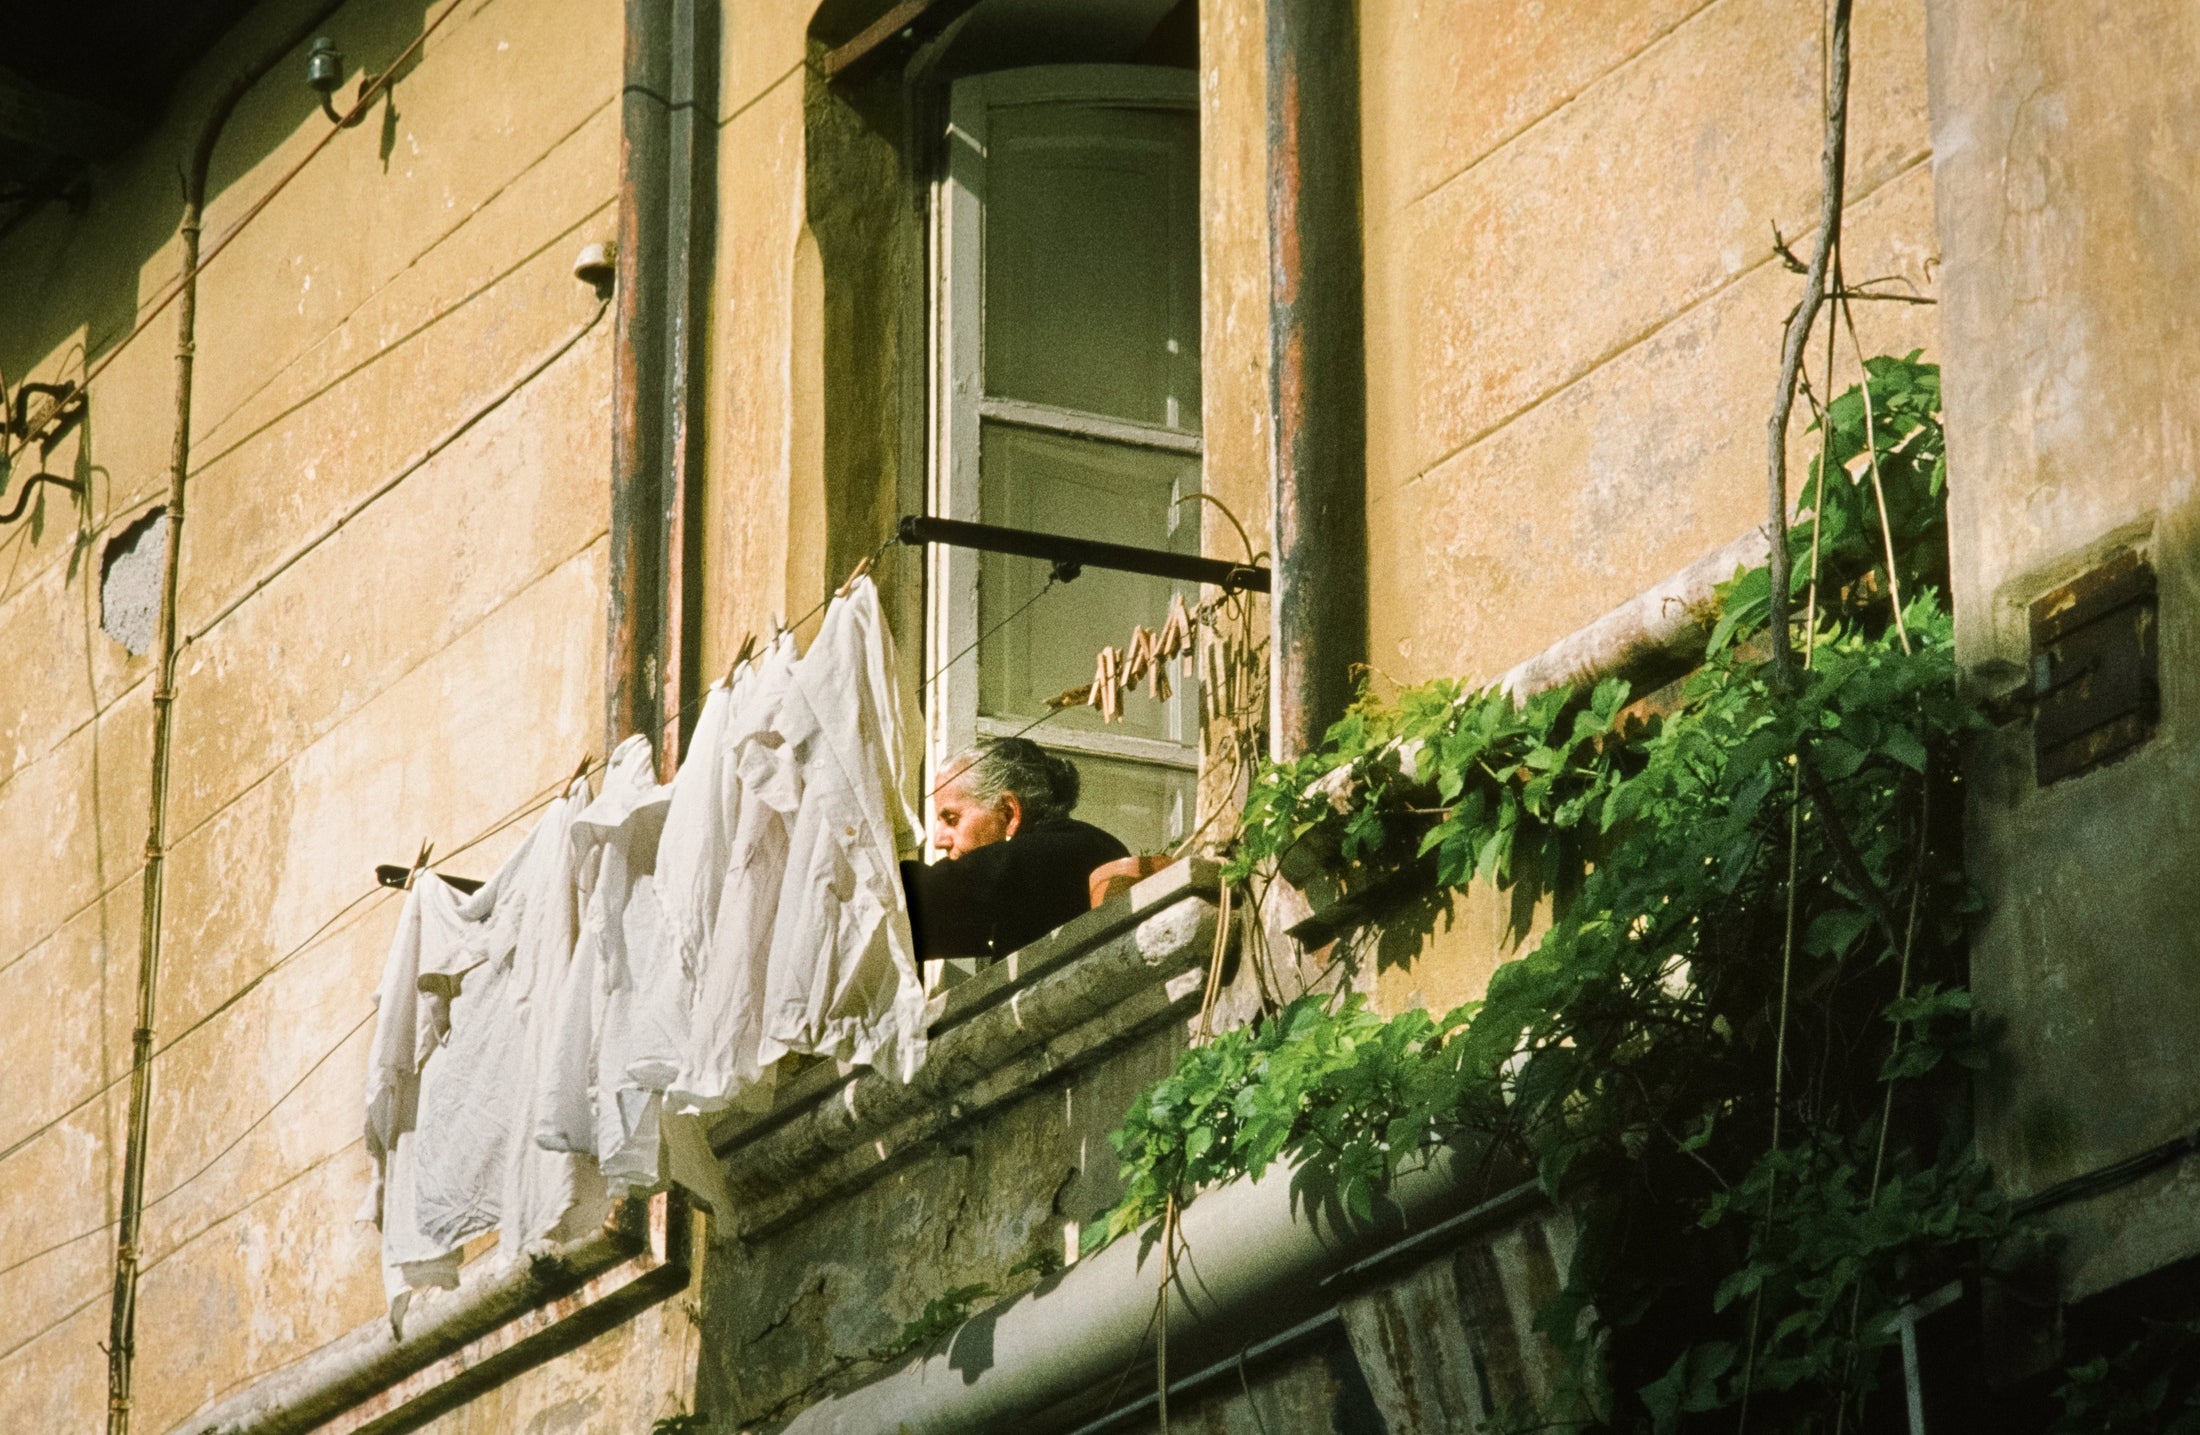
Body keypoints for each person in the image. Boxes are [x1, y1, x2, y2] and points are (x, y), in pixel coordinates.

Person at [901, 737, 1130, 961]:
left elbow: (911, 904)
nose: (939, 840)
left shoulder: (1055, 854)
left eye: (952, 819)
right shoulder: (1083, 845)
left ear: (1008, 813)